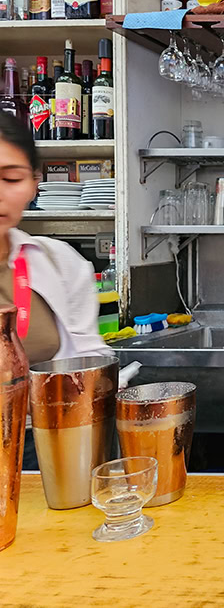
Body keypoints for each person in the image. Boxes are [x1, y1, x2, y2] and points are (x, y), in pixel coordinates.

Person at [0, 114, 111, 468]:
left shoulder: (58, 262)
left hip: (45, 447)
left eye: (11, 178)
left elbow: (88, 361)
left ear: (35, 184)